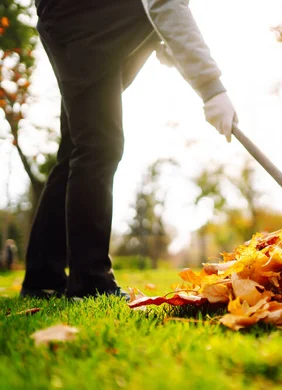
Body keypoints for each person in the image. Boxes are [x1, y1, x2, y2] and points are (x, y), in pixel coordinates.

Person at [20, 0, 238, 298]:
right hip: (78, 20)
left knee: (77, 149)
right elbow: (164, 4)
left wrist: (158, 40)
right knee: (99, 145)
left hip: (71, 18)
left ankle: (43, 276)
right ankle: (90, 281)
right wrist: (211, 88)